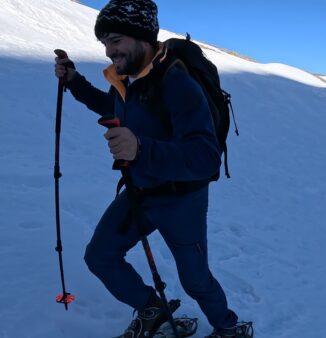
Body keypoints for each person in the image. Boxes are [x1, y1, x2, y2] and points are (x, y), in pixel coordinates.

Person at [54, 1, 250, 337]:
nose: (108, 52)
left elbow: (205, 157)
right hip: (140, 191)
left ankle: (229, 327)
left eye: (115, 41)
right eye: (104, 44)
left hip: (181, 200)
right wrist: (73, 81)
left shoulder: (177, 83)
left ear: (142, 37)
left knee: (195, 278)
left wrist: (141, 148)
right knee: (100, 255)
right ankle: (152, 308)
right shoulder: (129, 79)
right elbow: (111, 104)